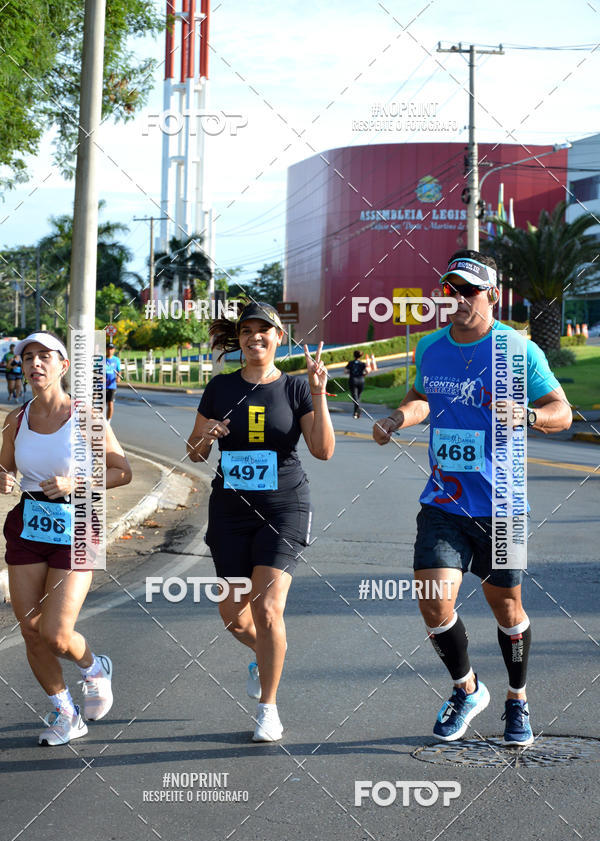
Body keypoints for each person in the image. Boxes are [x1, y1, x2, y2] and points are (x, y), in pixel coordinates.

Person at [372, 250, 572, 746]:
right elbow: (420, 398)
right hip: (444, 502)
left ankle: (517, 699)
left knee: (507, 608)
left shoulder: (517, 349)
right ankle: (467, 689)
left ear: (493, 295)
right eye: (451, 290)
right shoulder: (432, 346)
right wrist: (398, 419)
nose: (459, 299)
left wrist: (528, 416)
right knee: (433, 599)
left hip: (503, 506)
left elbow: (562, 412)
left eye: (469, 290)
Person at [186, 301, 335, 742]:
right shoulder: (219, 387)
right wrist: (206, 435)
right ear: (241, 339)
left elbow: (324, 450)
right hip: (230, 511)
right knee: (233, 614)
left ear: (278, 338)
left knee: (267, 609)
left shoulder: (295, 388)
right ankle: (266, 654)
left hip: (283, 507)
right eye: (247, 330)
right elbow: (194, 453)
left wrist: (320, 391)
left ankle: (267, 709)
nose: (256, 337)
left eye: (264, 330)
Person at [0, 332, 132, 746]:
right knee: (30, 629)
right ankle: (66, 713)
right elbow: (3, 468)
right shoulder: (15, 419)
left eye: (44, 357)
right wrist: (4, 479)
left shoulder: (86, 417)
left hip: (79, 523)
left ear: (62, 365)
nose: (35, 363)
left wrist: (78, 481)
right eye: (28, 358)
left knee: (56, 634)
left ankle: (94, 667)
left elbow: (122, 471)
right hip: (29, 522)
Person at [345, 350, 368, 419]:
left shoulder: (351, 363)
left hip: (353, 380)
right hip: (361, 380)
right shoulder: (362, 364)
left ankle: (357, 411)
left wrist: (351, 371)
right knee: (358, 396)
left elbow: (345, 371)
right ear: (361, 356)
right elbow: (366, 371)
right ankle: (357, 412)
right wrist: (363, 374)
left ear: (354, 355)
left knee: (355, 397)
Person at [105, 342, 122, 421]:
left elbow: (119, 371)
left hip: (111, 385)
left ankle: (108, 421)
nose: (109, 351)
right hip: (102, 386)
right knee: (100, 405)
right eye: (108, 349)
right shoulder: (102, 359)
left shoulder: (116, 360)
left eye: (111, 349)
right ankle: (100, 421)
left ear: (114, 350)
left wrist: (118, 377)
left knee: (110, 404)